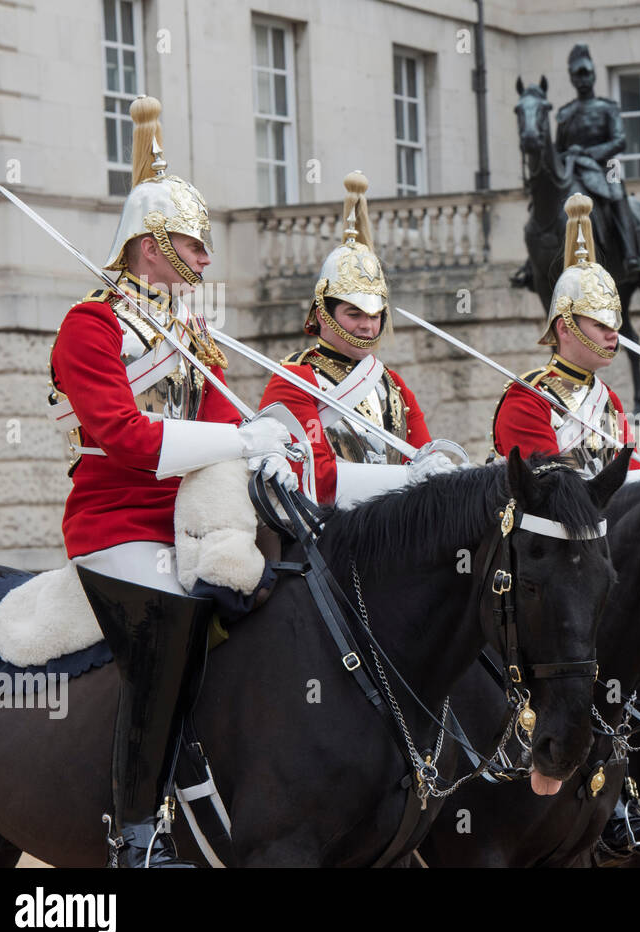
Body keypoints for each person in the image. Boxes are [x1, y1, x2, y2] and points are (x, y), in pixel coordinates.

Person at [48, 95, 295, 867]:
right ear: (151, 245)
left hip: (190, 516)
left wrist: (266, 449)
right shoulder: (89, 326)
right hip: (116, 520)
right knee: (172, 627)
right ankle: (134, 830)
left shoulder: (188, 329)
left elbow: (224, 410)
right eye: (195, 244)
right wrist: (234, 434)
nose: (207, 259)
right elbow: (122, 438)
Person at [259, 171, 452, 507]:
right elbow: (315, 478)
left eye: (375, 316)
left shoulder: (393, 384)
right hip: (331, 531)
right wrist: (407, 479)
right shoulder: (295, 379)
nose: (367, 326)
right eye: (355, 314)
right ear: (322, 313)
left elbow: (418, 453)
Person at [492, 193, 640, 476]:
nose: (613, 336)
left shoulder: (607, 399)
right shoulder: (529, 398)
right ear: (565, 327)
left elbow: (630, 475)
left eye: (614, 326)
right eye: (601, 326)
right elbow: (549, 492)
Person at [556, 44, 640, 274]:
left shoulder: (607, 108)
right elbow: (558, 150)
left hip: (606, 166)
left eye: (586, 73)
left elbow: (619, 141)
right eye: (578, 75)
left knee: (616, 193)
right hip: (575, 169)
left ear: (593, 74)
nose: (583, 80)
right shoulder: (566, 113)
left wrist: (588, 153)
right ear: (571, 78)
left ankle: (630, 253)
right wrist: (570, 155)